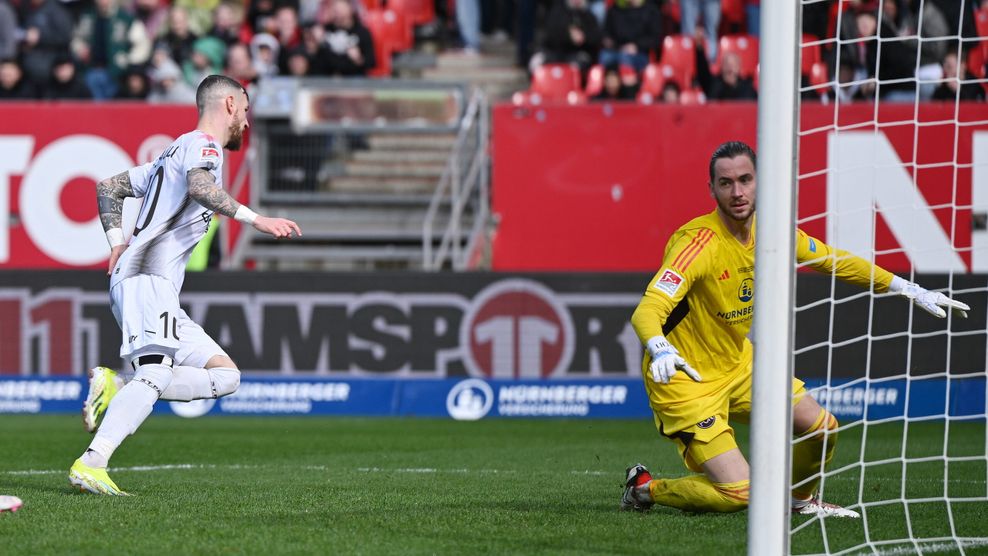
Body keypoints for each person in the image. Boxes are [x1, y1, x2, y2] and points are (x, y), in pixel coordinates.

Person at [620, 141, 970, 518]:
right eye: (725, 183)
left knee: (822, 428)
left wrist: (905, 287)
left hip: (738, 366)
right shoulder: (698, 243)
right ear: (712, 189)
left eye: (744, 180)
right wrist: (659, 346)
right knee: (741, 494)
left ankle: (799, 501)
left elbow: (835, 261)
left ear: (759, 182)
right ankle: (644, 489)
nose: (737, 192)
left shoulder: (774, 233)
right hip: (685, 379)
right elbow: (648, 308)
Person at [69, 75, 303, 496]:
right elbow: (200, 188)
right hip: (147, 278)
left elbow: (109, 188)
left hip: (152, 283)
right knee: (156, 372)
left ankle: (118, 385)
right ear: (230, 104)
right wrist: (257, 219)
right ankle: (92, 461)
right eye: (246, 111)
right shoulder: (205, 147)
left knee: (226, 377)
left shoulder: (170, 153)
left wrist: (117, 243)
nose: (246, 123)